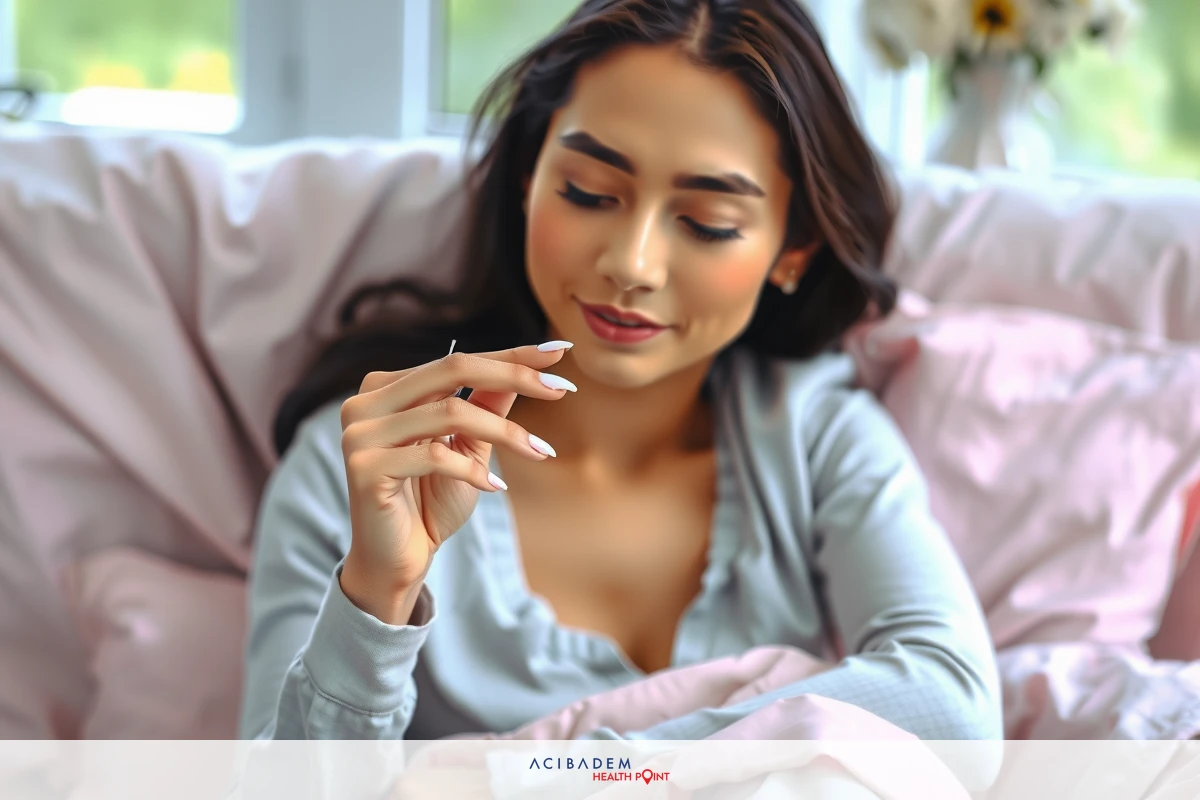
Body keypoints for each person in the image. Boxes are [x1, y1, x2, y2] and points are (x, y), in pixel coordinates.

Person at [239, 0, 1002, 742]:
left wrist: (555, 778)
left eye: (708, 223)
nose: (631, 264)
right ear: (527, 177)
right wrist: (376, 597)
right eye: (588, 193)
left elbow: (953, 704)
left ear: (792, 250)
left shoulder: (818, 438)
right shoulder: (369, 466)